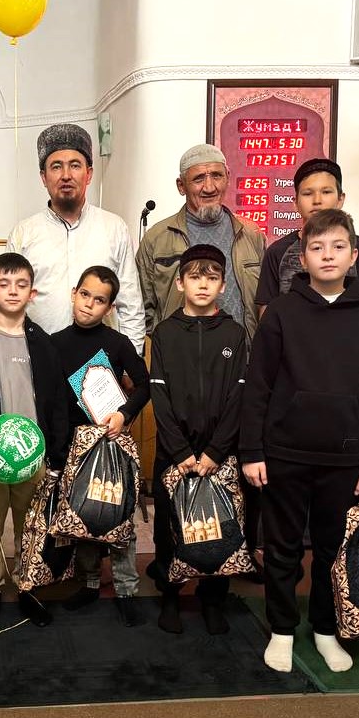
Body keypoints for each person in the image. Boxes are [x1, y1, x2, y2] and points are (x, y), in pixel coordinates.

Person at [240, 209, 359, 674]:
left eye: (338, 247)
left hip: (345, 458)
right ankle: (282, 629)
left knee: (331, 549)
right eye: (317, 247)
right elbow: (258, 385)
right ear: (302, 258)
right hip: (283, 452)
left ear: (354, 255)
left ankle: (326, 629)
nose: (328, 255)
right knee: (282, 548)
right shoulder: (282, 312)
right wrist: (252, 451)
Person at [0, 252, 69, 630]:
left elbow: (57, 403)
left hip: (33, 457)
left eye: (21, 285)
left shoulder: (44, 345)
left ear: (32, 293)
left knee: (31, 528)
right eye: (4, 284)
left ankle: (28, 588)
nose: (12, 291)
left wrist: (56, 457)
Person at [148, 245, 248, 635]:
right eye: (194, 277)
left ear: (223, 285)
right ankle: (170, 596)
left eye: (211, 278)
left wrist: (216, 451)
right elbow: (159, 393)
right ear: (180, 283)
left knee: (218, 528)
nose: (202, 285)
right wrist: (180, 451)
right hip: (174, 454)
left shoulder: (234, 333)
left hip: (218, 454)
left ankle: (213, 600)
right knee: (169, 528)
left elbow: (238, 396)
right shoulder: (165, 333)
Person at [52, 266, 151, 627]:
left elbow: (144, 385)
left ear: (109, 308)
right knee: (84, 514)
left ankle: (126, 590)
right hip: (75, 445)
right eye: (85, 295)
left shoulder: (118, 343)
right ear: (73, 293)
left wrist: (124, 414)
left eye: (99, 300)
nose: (89, 304)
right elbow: (51, 399)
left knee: (118, 514)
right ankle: (90, 583)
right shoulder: (55, 343)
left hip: (111, 441)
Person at [7, 124, 144, 349]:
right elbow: (10, 307)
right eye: (56, 167)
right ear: (43, 177)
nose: (66, 175)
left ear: (88, 174)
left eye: (75, 165)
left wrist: (132, 359)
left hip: (101, 361)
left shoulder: (114, 228)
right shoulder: (24, 233)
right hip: (40, 356)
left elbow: (130, 305)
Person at [137, 143, 266, 340]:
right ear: (181, 186)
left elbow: (265, 301)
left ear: (227, 178)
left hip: (243, 355)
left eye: (217, 176)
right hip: (180, 355)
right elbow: (141, 307)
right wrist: (168, 341)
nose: (209, 187)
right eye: (198, 179)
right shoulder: (156, 239)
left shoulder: (251, 233)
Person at [254, 158, 359, 320]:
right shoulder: (277, 252)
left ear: (340, 199)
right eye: (307, 193)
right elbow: (266, 314)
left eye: (326, 192)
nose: (317, 200)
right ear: (295, 203)